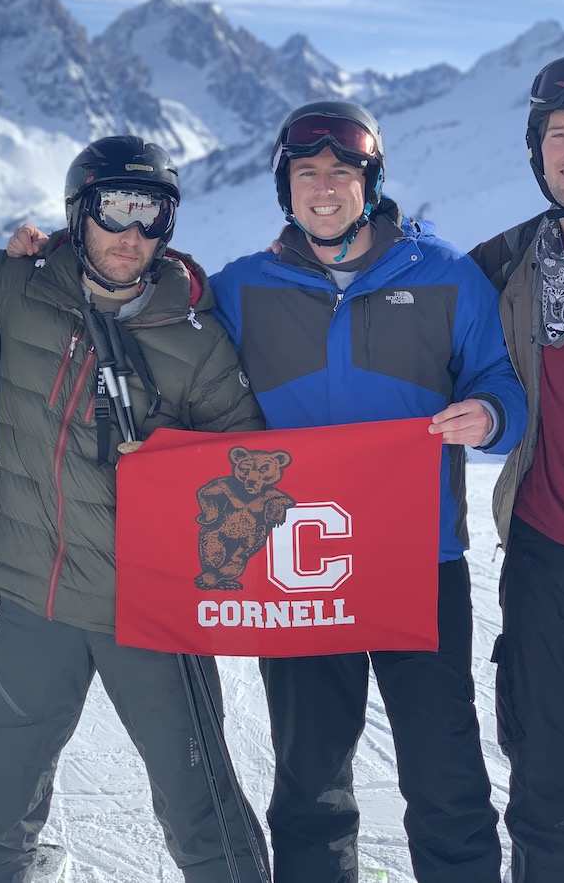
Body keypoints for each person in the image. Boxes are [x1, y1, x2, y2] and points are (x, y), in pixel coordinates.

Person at [207, 101, 527, 883]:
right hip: (297, 569)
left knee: (443, 767)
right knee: (310, 779)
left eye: (341, 173)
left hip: (417, 558)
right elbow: (164, 342)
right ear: (285, 188)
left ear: (371, 182)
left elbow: (502, 390)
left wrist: (486, 415)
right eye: (306, 173)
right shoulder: (241, 287)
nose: (324, 188)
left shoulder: (444, 276)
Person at [0, 136, 270, 883]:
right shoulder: (20, 285)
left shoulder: (196, 339)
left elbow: (252, 472)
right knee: (0, 805)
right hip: (38, 597)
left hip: (150, 611)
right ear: (78, 214)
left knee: (201, 809)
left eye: (152, 215)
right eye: (114, 209)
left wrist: (173, 462)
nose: (131, 234)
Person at [470, 55, 564, 883]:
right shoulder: (508, 259)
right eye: (558, 133)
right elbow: (402, 296)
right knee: (546, 797)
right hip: (548, 561)